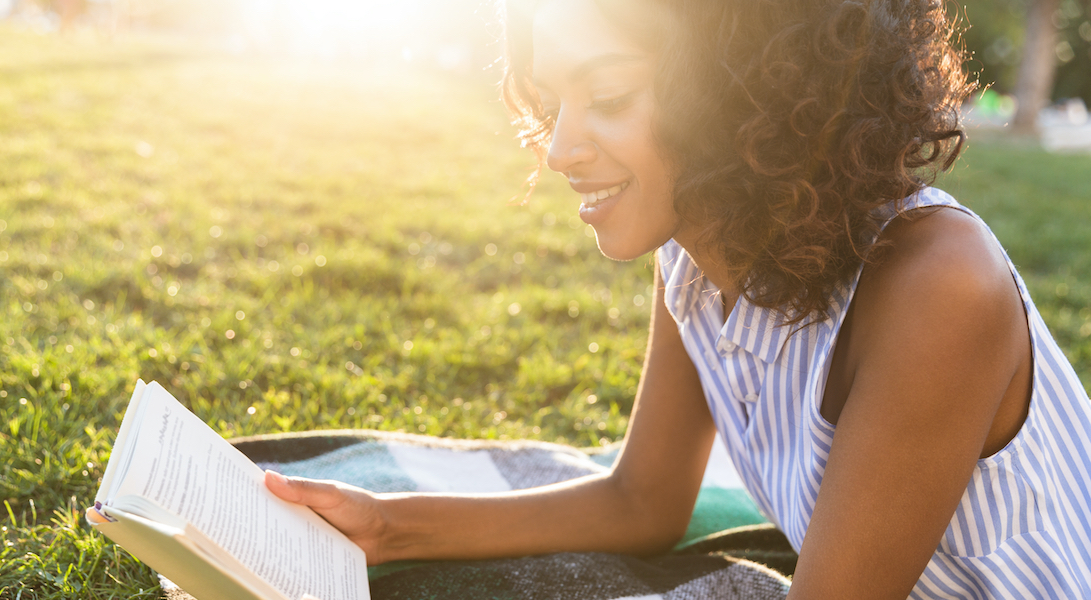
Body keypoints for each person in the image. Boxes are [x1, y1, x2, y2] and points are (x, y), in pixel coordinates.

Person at [265, 0, 1091, 597]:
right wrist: (385, 525)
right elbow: (643, 500)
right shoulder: (696, 259)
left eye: (611, 96)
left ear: (744, 91)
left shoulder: (936, 285)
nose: (558, 149)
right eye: (554, 103)